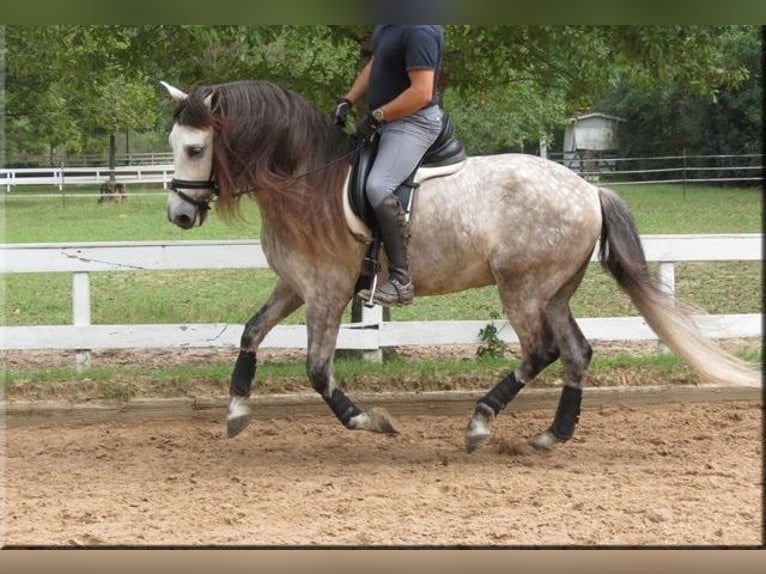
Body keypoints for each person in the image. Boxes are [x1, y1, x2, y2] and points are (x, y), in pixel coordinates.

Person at [333, 25, 445, 307]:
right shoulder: (389, 25)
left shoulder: (420, 30)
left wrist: (378, 116)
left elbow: (421, 92)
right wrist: (349, 99)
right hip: (389, 121)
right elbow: (376, 64)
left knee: (378, 187)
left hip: (413, 123)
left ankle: (400, 281)